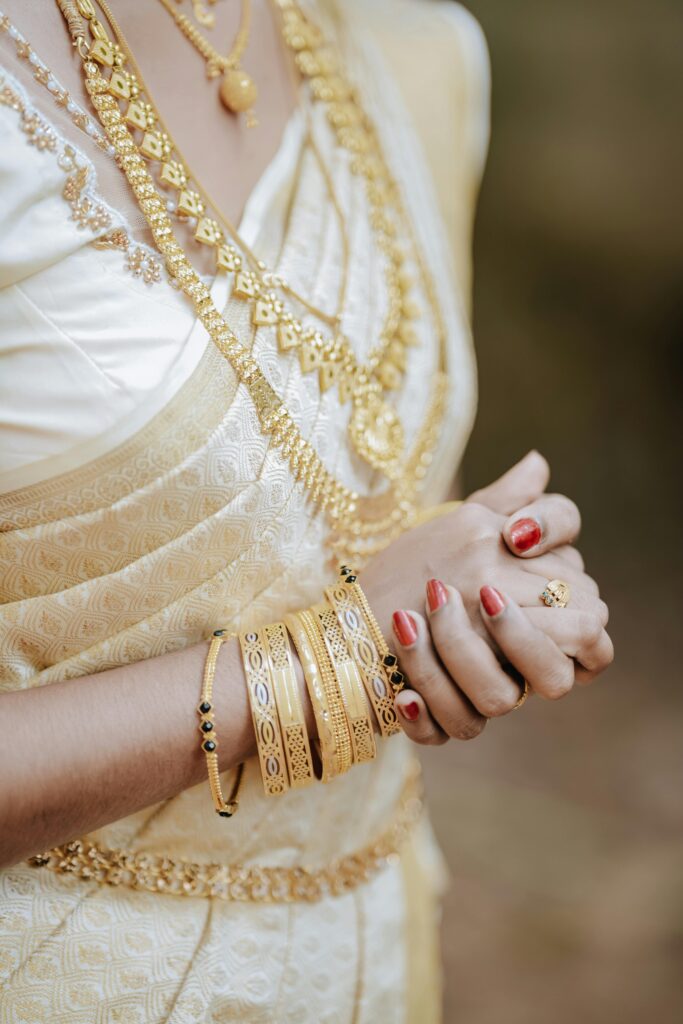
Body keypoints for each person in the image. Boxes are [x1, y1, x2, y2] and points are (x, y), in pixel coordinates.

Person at [0, 1, 613, 1021]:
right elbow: (352, 624)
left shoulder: (414, 59)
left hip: (370, 963)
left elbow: (326, 516)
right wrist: (333, 661)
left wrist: (483, 601)